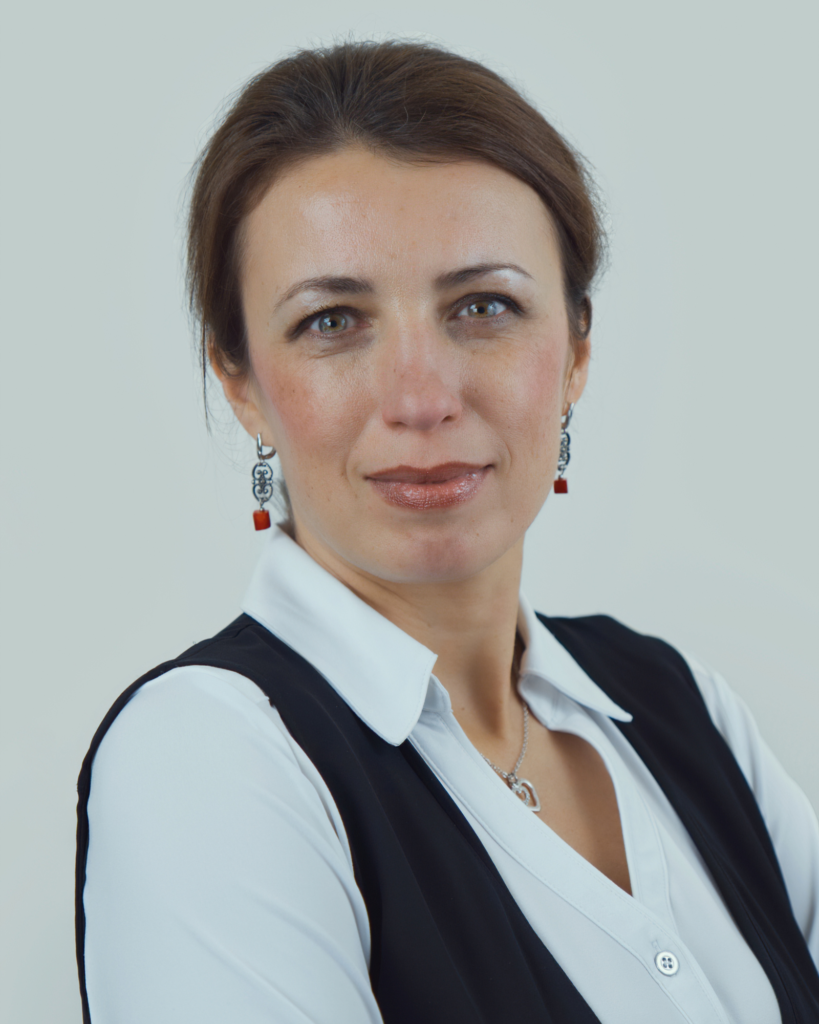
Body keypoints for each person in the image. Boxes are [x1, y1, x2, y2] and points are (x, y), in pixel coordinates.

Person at [74, 40, 819, 1024]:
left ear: (577, 350)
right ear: (240, 381)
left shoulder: (679, 705)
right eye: (332, 321)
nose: (421, 398)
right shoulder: (207, 757)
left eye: (483, 306)